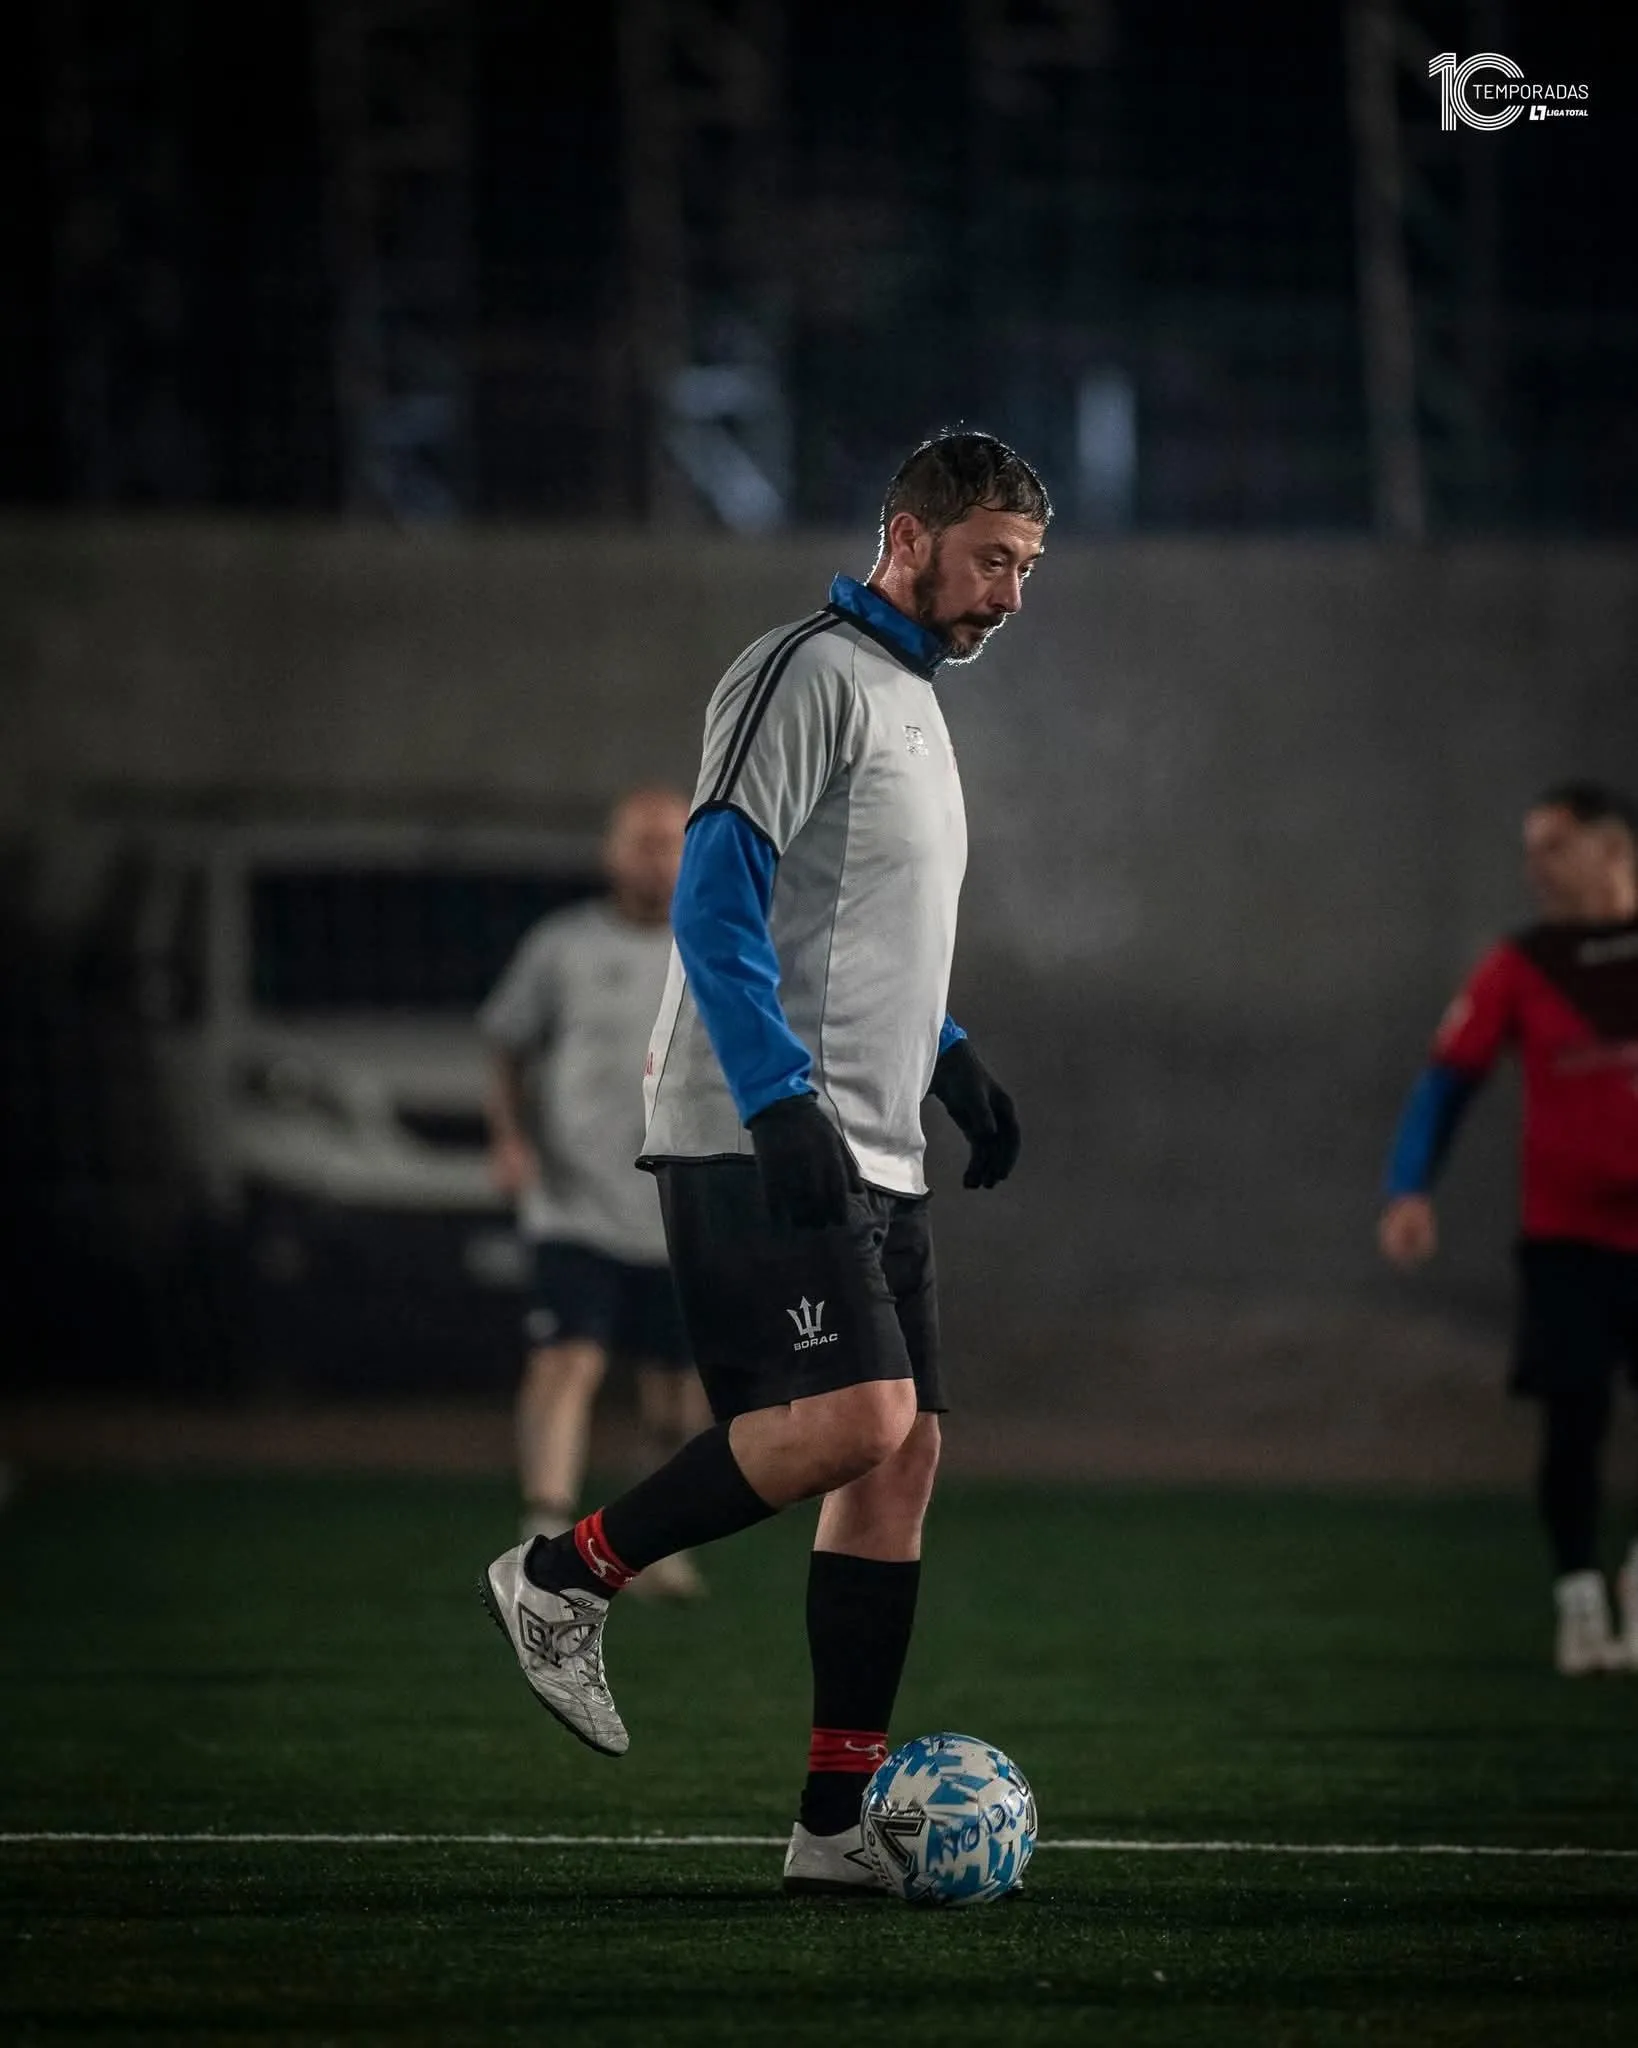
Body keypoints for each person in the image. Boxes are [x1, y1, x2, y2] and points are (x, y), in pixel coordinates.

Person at [479, 431, 1048, 1892]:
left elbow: (849, 923)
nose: (1009, 595)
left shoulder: (915, 702)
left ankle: (832, 1829)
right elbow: (718, 892)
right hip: (757, 1122)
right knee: (858, 1418)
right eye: (991, 560)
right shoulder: (803, 670)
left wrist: (948, 1055)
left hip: (873, 1132)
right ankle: (561, 1575)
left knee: (903, 1456)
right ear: (907, 538)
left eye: (1026, 570)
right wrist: (778, 1094)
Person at [1379, 781, 1638, 1675]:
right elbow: (1446, 1082)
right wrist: (1409, 1189)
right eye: (1530, 849)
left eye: (1554, 846)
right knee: (1573, 1422)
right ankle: (1580, 1598)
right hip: (1568, 1241)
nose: (1536, 867)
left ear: (1613, 848)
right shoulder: (1522, 966)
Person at [479, 786, 709, 1600]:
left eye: (670, 842)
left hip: (678, 1206)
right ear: (612, 853)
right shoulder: (562, 945)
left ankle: (653, 1541)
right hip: (573, 1199)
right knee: (566, 1358)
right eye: (640, 842)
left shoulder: (719, 945)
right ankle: (541, 1537)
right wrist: (510, 1139)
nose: (655, 858)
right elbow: (505, 1043)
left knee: (674, 1389)